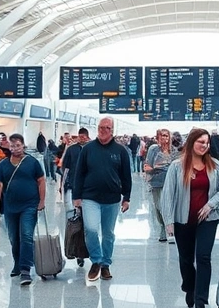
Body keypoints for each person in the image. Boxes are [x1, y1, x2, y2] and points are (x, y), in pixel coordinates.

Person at [160, 128, 219, 308]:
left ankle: (201, 302)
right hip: (183, 220)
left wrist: (210, 205)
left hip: (208, 219)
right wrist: (168, 221)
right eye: (200, 142)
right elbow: (168, 194)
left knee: (204, 257)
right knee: (186, 260)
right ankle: (189, 286)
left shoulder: (215, 166)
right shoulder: (177, 167)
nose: (204, 146)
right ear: (191, 143)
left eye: (206, 143)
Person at [72, 117, 132, 282]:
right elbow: (79, 173)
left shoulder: (120, 151)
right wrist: (76, 196)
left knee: (108, 233)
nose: (103, 130)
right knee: (91, 229)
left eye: (107, 127)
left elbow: (126, 176)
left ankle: (105, 264)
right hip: (90, 197)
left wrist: (126, 197)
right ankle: (96, 261)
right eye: (100, 127)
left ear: (112, 130)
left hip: (112, 199)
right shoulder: (88, 149)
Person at [0, 134, 46, 286]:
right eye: (12, 146)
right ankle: (17, 263)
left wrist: (42, 201)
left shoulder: (32, 162)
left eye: (17, 145)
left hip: (29, 205)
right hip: (10, 206)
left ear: (23, 145)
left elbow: (41, 181)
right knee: (14, 238)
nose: (15, 148)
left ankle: (25, 269)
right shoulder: (3, 164)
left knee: (26, 235)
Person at [144, 128, 178, 243]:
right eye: (162, 136)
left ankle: (169, 230)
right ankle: (163, 226)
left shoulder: (174, 151)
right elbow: (146, 166)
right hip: (157, 182)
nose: (164, 138)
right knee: (158, 207)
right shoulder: (153, 150)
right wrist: (154, 168)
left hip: (170, 183)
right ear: (158, 137)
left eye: (166, 136)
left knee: (167, 206)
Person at [62, 128, 90, 218]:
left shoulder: (92, 149)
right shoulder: (71, 149)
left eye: (84, 137)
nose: (82, 139)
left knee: (87, 205)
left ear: (87, 137)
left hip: (89, 182)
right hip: (74, 181)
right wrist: (64, 182)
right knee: (76, 204)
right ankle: (77, 221)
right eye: (80, 136)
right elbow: (65, 166)